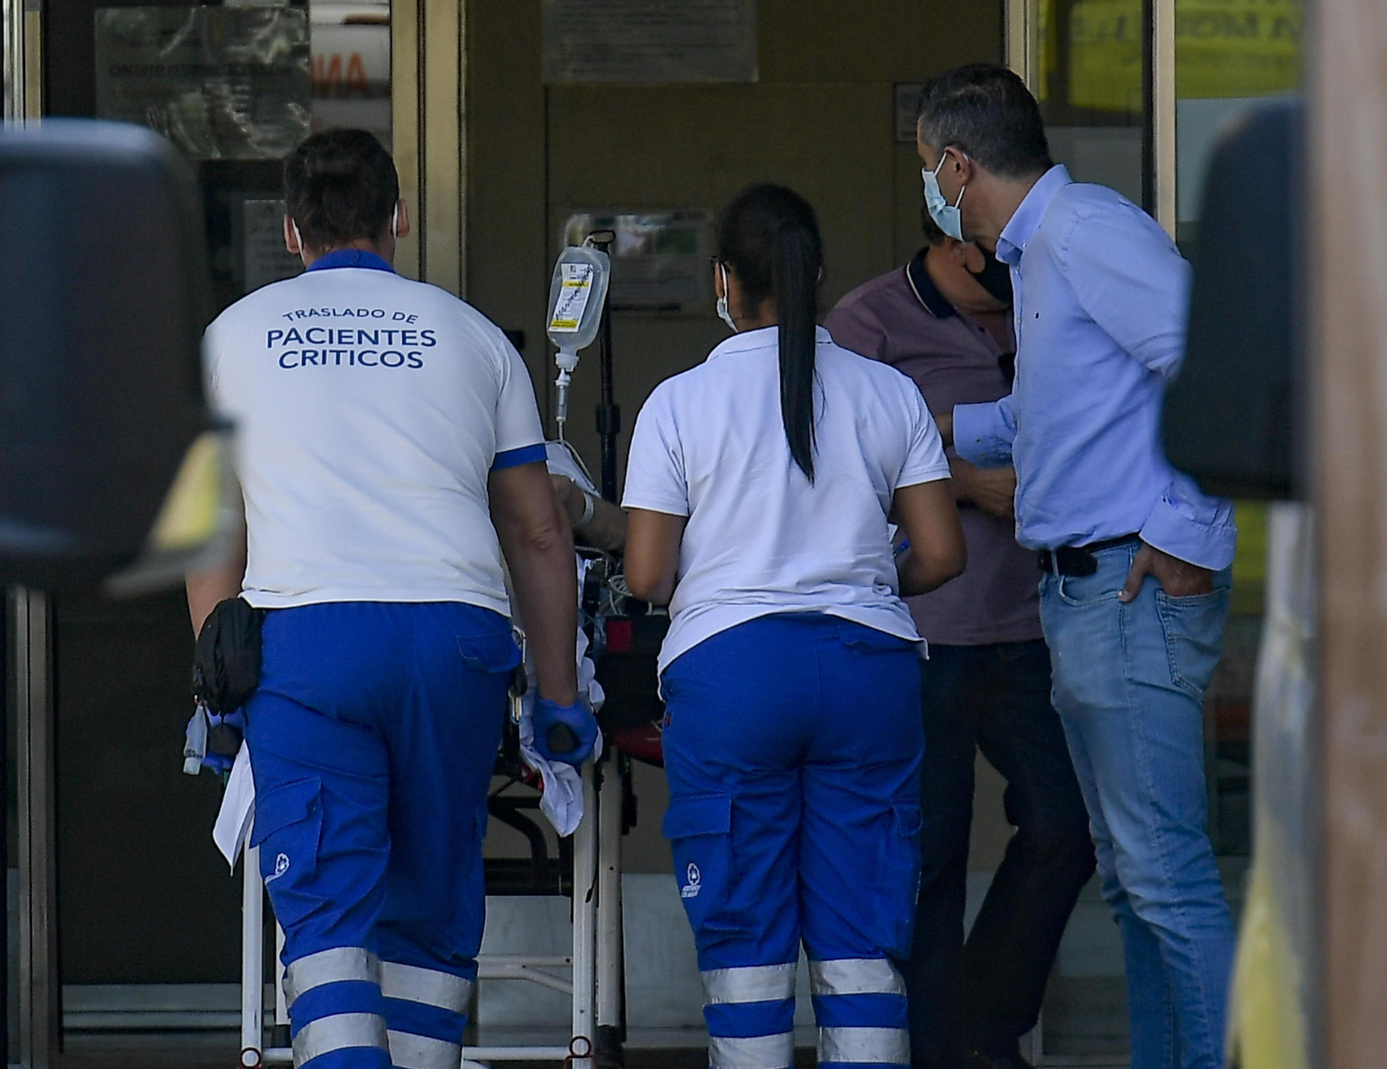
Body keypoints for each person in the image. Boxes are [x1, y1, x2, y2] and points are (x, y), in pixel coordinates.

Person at [186, 129, 594, 1069]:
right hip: (453, 638)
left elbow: (208, 528)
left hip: (307, 645)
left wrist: (213, 688)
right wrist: (560, 697)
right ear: (398, 220)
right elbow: (538, 530)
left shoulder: (232, 336)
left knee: (327, 914)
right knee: (426, 903)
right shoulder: (476, 336)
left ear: (290, 232)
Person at [915, 65, 1238, 1069]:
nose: (929, 190)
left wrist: (1185, 533)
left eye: (929, 169)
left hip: (1131, 594)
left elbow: (1214, 359)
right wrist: (921, 428)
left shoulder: (1087, 232)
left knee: (1166, 878)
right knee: (1134, 882)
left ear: (960, 166)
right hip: (1084, 598)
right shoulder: (1044, 254)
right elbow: (1050, 416)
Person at [622, 184, 967, 1069]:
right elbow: (940, 553)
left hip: (732, 678)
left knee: (746, 944)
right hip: (868, 673)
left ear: (724, 283)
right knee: (863, 941)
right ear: (817, 275)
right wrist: (858, 580)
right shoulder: (889, 394)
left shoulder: (677, 402)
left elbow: (649, 573)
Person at [825, 212, 1096, 1069]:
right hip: (927, 627)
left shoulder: (1045, 309)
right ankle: (942, 1050)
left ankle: (980, 1029)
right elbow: (841, 456)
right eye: (999, 256)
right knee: (931, 853)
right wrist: (968, 481)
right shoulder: (868, 321)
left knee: (1067, 826)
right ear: (953, 240)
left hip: (1040, 619)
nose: (1013, 271)